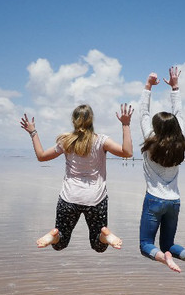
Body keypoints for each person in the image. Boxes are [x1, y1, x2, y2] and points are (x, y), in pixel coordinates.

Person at [20, 102, 133, 252]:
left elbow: (41, 156)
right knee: (98, 246)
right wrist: (125, 125)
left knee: (60, 243)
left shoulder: (66, 141)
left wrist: (33, 132)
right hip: (95, 199)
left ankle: (54, 235)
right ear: (91, 120)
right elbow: (127, 152)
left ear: (74, 121)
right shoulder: (101, 140)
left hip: (69, 197)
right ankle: (104, 235)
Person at [138, 67, 185, 277]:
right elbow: (179, 113)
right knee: (168, 243)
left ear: (156, 128)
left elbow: (143, 112)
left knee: (146, 245)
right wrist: (175, 87)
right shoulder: (181, 142)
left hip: (154, 200)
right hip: (174, 201)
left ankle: (164, 258)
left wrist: (148, 86)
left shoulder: (150, 140)